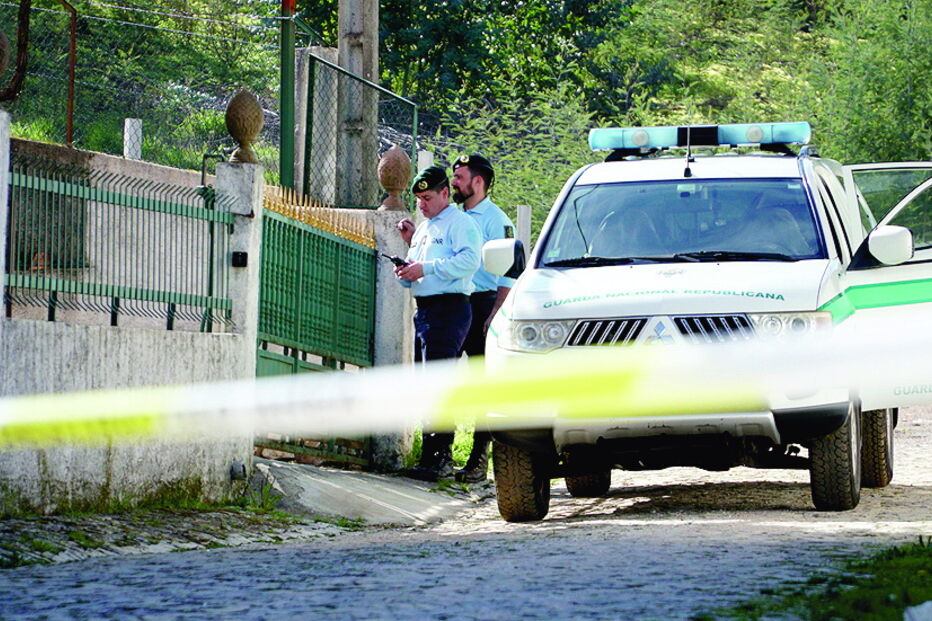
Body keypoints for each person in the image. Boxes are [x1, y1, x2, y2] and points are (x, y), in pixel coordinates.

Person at [394, 165, 481, 482]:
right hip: (425, 309)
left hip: (449, 307)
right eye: (418, 199)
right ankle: (430, 455)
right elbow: (417, 272)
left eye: (428, 197)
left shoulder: (461, 223)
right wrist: (407, 269)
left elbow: (470, 260)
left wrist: (425, 268)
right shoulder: (424, 228)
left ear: (445, 193)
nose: (422, 205)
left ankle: (441, 458)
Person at [449, 153, 517, 483]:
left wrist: (495, 313)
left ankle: (478, 461)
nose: (454, 183)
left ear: (478, 182)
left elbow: (510, 273)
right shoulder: (452, 217)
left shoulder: (497, 220)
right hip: (453, 302)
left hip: (482, 305)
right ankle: (438, 456)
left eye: (460, 177)